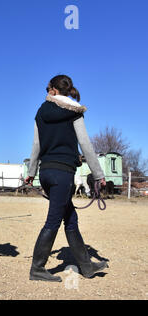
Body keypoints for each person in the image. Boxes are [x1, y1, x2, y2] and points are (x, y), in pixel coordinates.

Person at [25, 75, 108, 282]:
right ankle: (37, 269)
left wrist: (31, 171)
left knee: (71, 219)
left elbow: (36, 145)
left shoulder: (41, 112)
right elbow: (85, 144)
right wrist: (98, 174)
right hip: (63, 173)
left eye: (47, 88)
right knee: (53, 221)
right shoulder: (75, 112)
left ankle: (87, 266)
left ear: (52, 89)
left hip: (46, 173)